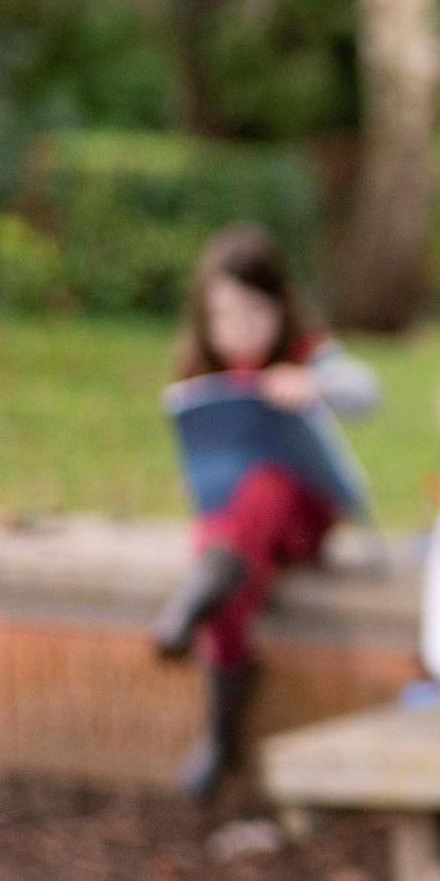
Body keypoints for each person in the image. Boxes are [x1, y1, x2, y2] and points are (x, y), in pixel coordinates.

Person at [150, 225, 379, 801]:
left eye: (256, 312)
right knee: (226, 559)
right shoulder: (203, 373)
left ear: (281, 306)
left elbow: (366, 391)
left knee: (265, 490)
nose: (241, 329)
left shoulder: (306, 356)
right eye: (225, 316)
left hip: (300, 516)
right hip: (237, 532)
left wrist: (314, 384)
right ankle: (222, 735)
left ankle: (197, 602)